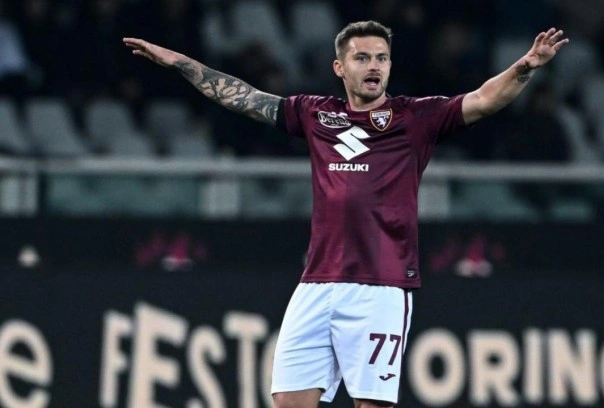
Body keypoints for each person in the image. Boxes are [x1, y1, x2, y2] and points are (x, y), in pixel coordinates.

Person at [123, 20, 568, 408]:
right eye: (362, 58)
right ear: (340, 67)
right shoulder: (315, 114)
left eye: (382, 58)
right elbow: (245, 98)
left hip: (381, 285)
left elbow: (483, 100)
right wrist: (181, 62)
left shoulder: (416, 118)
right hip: (317, 283)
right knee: (288, 400)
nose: (374, 66)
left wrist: (524, 67)